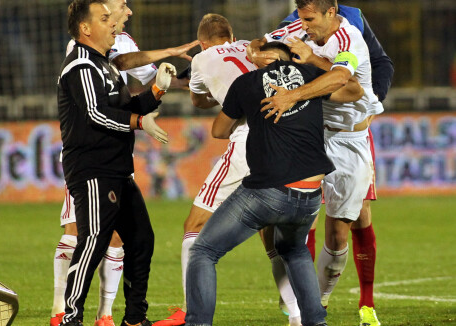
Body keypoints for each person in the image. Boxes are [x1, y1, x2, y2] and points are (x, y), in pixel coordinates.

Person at [185, 41, 363, 326]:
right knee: (294, 250)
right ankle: (316, 322)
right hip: (309, 195)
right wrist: (308, 82)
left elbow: (218, 130)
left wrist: (248, 110)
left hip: (270, 191)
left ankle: (197, 323)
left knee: (203, 252)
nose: (250, 54)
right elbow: (356, 91)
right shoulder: (310, 76)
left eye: (255, 51)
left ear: (266, 56)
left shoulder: (246, 83)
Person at [51, 1, 199, 326]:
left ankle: (134, 318)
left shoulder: (105, 65)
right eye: (105, 19)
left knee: (141, 240)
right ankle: (70, 318)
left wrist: (157, 90)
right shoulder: (80, 65)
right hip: (93, 169)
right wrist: (139, 122)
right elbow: (96, 113)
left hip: (117, 168)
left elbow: (126, 103)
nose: (113, 24)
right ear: (85, 28)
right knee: (93, 242)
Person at [153, 13, 303, 326]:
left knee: (195, 225)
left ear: (203, 41)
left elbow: (199, 101)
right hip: (288, 139)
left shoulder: (201, 58)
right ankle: (298, 315)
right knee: (272, 234)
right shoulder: (250, 46)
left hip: (249, 140)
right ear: (231, 36)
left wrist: (181, 84)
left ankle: (188, 311)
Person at [250, 0, 384, 325]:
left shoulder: (350, 40)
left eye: (310, 19)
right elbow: (257, 46)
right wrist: (264, 53)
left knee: (339, 236)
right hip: (311, 136)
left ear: (331, 13)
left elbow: (342, 80)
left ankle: (318, 301)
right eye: (301, 18)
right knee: (294, 222)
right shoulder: (299, 28)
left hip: (350, 141)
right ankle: (301, 312)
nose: (304, 26)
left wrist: (299, 83)